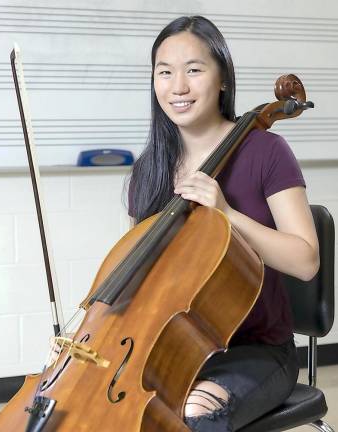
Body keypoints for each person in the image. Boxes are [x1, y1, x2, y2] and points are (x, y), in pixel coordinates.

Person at [128, 15, 320, 432]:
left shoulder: (266, 151)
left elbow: (306, 261)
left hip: (257, 350)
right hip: (174, 348)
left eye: (194, 70)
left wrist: (228, 215)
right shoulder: (149, 170)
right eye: (165, 72)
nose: (178, 86)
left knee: (195, 412)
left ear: (223, 81)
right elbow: (138, 279)